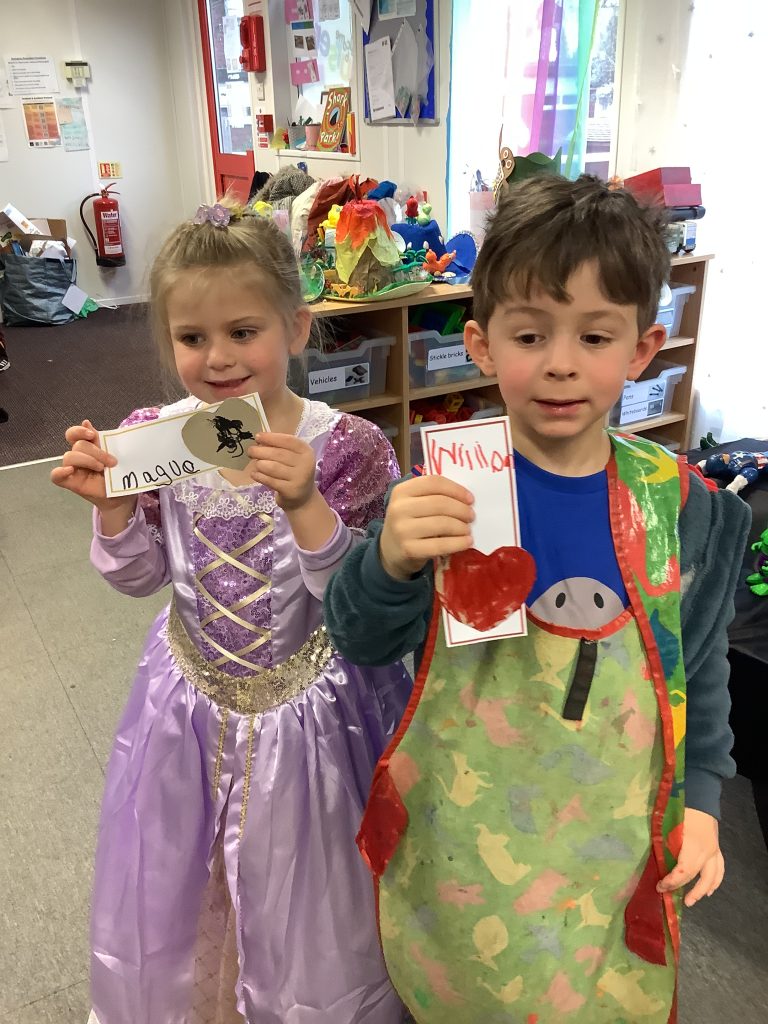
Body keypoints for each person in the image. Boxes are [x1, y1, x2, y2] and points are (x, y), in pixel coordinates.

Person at [324, 175, 751, 1024]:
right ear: (480, 345)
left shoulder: (686, 510)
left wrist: (702, 799)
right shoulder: (445, 494)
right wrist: (390, 561)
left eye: (594, 335)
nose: (560, 362)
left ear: (642, 349)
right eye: (529, 334)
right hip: (466, 856)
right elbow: (360, 639)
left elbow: (700, 672)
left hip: (608, 850)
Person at [51, 200, 411, 1024]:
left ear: (296, 327)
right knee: (188, 877)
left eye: (243, 332)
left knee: (311, 887)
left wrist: (306, 503)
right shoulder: (158, 440)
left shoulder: (349, 447)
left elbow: (357, 601)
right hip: (188, 710)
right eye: (191, 337)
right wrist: (113, 510)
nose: (217, 359)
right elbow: (143, 576)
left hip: (314, 715)